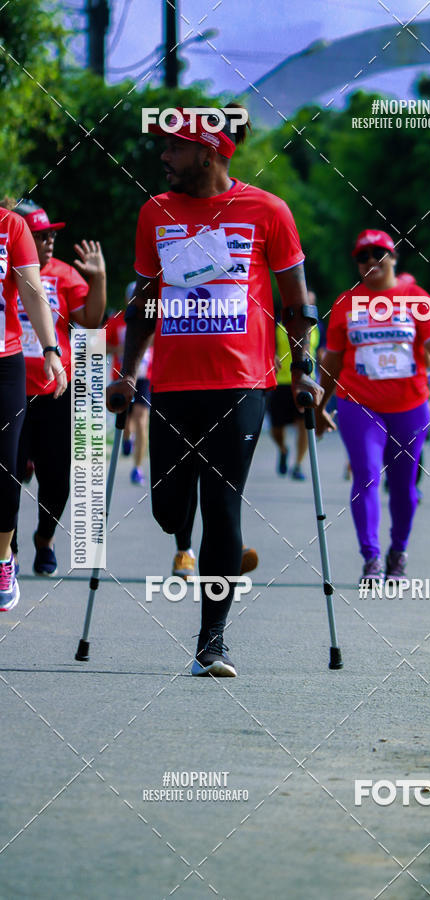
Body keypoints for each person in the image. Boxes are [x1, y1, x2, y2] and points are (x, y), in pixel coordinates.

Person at [106, 106, 322, 677]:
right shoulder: (155, 212)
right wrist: (128, 371)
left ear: (208, 151)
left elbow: (297, 301)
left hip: (241, 384)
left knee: (222, 510)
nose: (163, 158)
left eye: (173, 148)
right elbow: (145, 301)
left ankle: (212, 641)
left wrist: (303, 370)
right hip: (173, 386)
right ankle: (201, 557)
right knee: (169, 508)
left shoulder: (266, 210)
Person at [316, 229, 430, 584]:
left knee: (405, 485)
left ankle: (398, 551)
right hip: (358, 403)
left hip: (410, 405)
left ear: (393, 257)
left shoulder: (416, 297)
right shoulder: (346, 303)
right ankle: (372, 557)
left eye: (379, 254)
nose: (371, 262)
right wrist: (320, 404)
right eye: (363, 256)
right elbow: (332, 360)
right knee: (366, 476)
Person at [9, 202, 106, 575]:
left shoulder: (65, 275)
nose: (49, 241)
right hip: (13, 389)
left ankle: (45, 538)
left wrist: (99, 279)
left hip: (55, 392)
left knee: (56, 477)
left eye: (51, 234)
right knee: (9, 473)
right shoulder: (8, 273)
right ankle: (9, 550)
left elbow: (91, 321)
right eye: (40, 235)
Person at [0, 204, 66, 610]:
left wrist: (51, 350)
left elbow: (31, 291)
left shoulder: (11, 226)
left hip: (4, 363)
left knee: (6, 469)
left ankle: (4, 558)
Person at [269, 290, 321, 481]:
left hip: (307, 379)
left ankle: (298, 465)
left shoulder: (316, 327)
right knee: (276, 429)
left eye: (310, 303)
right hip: (281, 381)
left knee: (304, 426)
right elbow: (269, 346)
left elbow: (322, 351)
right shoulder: (280, 324)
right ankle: (283, 449)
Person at [105, 284, 153, 484]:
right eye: (133, 296)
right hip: (122, 376)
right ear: (127, 299)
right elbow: (101, 345)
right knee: (126, 419)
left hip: (144, 376)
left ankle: (137, 467)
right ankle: (127, 438)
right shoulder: (116, 320)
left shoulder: (152, 317)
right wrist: (120, 348)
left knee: (141, 418)